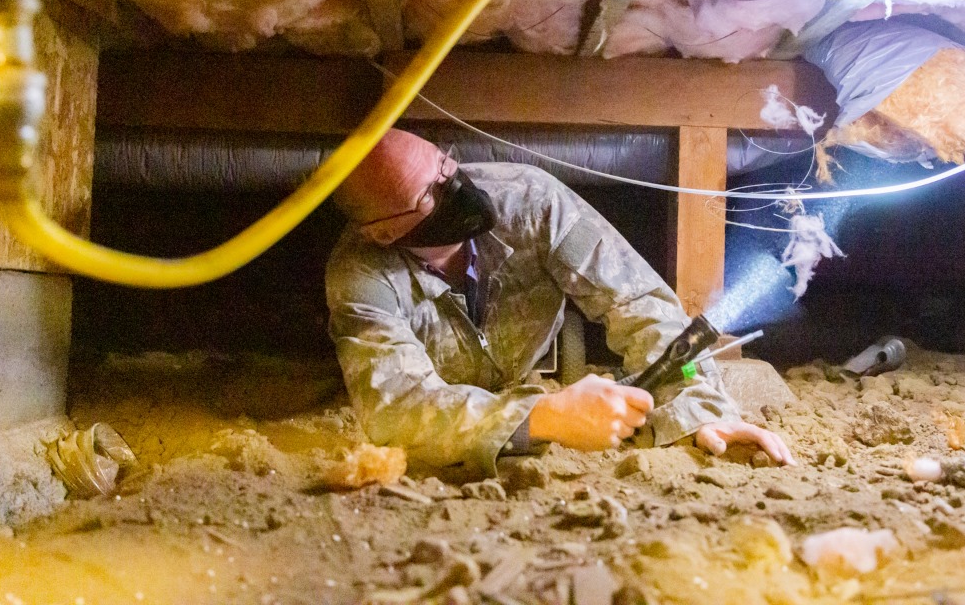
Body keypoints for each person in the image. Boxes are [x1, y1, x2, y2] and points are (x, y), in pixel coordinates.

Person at [326, 128, 795, 477]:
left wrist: (701, 411)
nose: (455, 185)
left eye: (445, 165)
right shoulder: (360, 275)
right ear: (385, 232)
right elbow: (396, 408)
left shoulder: (532, 200)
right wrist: (544, 417)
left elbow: (636, 302)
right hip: (449, 389)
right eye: (428, 194)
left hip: (523, 358)